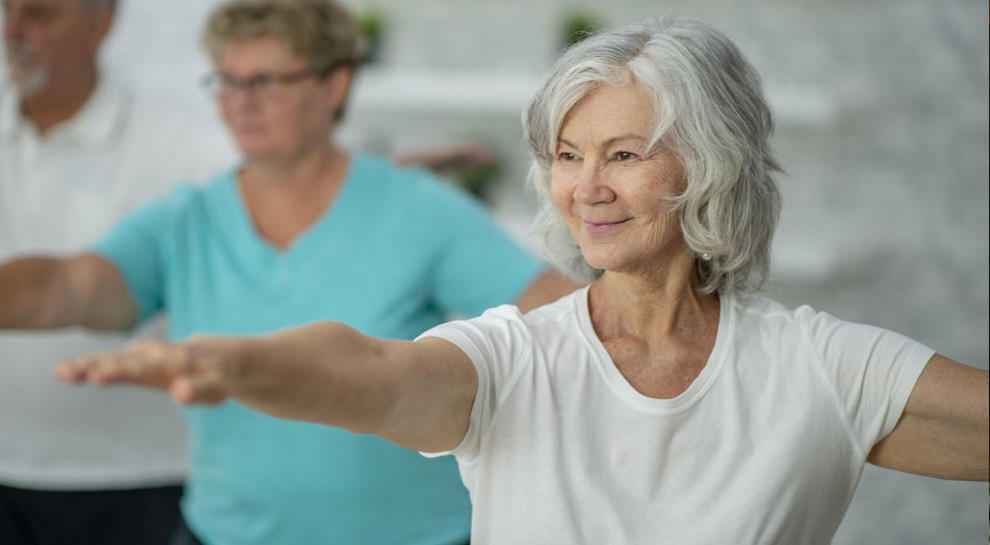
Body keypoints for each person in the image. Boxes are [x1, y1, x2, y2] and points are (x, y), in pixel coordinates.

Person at [53, 15, 990, 544]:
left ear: (710, 165)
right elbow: (373, 373)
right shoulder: (513, 358)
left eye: (623, 152)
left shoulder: (817, 365)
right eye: (568, 153)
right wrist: (238, 364)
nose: (587, 187)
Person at [0, 0, 576, 543]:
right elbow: (71, 284)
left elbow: (554, 311)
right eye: (227, 80)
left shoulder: (418, 210)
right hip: (223, 533)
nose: (241, 100)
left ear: (335, 84)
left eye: (267, 81)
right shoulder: (186, 220)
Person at [0, 0, 236, 543]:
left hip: (141, 476)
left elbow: (280, 203)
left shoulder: (185, 142)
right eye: (7, 11)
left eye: (39, 14)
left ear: (100, 24)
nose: (13, 31)